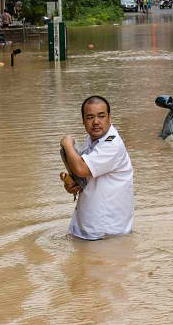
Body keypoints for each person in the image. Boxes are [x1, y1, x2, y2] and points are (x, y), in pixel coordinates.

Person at [60, 96, 134, 240]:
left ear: (109, 117)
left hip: (106, 234)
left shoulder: (112, 144)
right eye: (90, 117)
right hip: (87, 227)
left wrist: (67, 144)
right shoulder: (91, 141)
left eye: (101, 116)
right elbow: (81, 175)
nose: (96, 122)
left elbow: (81, 168)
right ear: (83, 120)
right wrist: (70, 183)